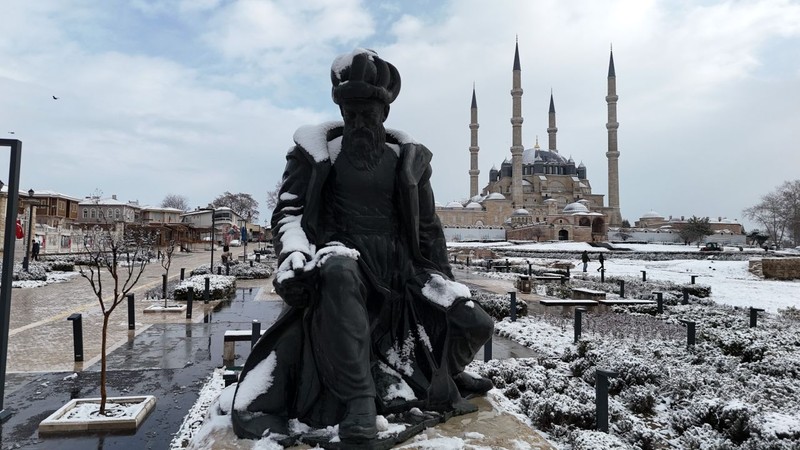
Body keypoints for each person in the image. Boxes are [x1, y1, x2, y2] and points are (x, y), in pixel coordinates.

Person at [231, 49, 494, 446]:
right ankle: (359, 403)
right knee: (337, 272)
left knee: (477, 323)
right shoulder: (315, 155)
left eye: (366, 114)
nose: (358, 122)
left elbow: (428, 228)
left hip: (403, 266)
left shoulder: (408, 161)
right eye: (351, 114)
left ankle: (440, 374)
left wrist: (445, 281)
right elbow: (289, 213)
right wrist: (295, 254)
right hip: (344, 257)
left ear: (382, 114)